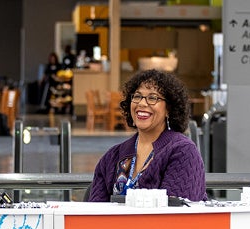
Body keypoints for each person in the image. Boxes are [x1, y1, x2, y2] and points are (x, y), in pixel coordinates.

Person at [87, 69, 207, 202]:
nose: (142, 103)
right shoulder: (112, 157)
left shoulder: (182, 151)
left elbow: (179, 215)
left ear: (169, 109)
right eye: (137, 96)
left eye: (152, 98)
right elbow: (95, 212)